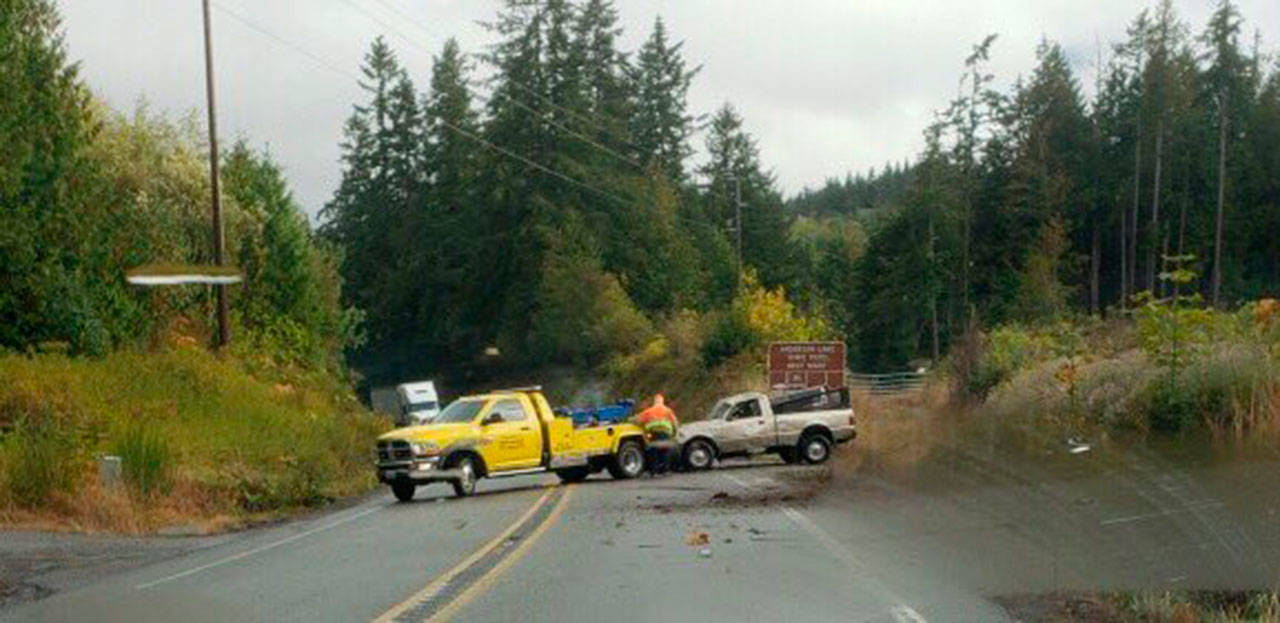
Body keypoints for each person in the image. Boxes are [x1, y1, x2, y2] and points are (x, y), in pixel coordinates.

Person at [635, 394, 678, 475]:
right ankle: (665, 470)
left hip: (653, 433)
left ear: (654, 402)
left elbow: (638, 420)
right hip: (665, 433)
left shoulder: (649, 411)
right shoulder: (668, 411)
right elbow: (675, 423)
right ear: (663, 401)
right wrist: (674, 434)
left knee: (653, 451)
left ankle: (653, 471)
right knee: (665, 451)